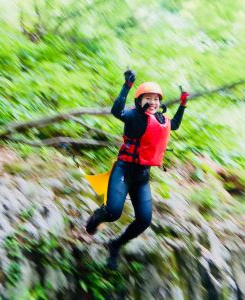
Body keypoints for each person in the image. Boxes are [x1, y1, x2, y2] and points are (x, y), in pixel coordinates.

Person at [85, 69, 188, 270]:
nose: (153, 102)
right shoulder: (134, 116)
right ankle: (98, 216)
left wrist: (183, 104)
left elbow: (174, 124)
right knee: (113, 212)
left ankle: (115, 245)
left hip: (141, 175)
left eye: (156, 99)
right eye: (148, 99)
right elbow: (116, 111)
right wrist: (126, 86)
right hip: (124, 170)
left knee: (144, 220)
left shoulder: (160, 120)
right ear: (139, 101)